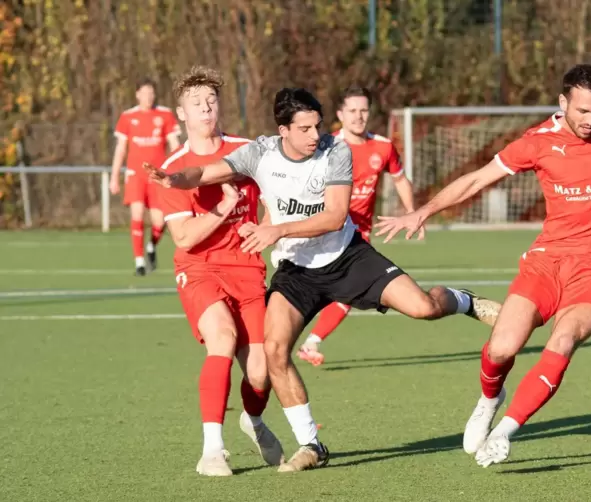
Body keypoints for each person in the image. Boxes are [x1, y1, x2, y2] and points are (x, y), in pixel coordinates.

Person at [146, 87, 501, 473]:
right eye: (305, 129)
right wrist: (174, 179)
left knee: (423, 308)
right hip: (296, 271)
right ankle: (311, 445)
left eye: (317, 125)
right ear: (283, 130)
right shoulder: (259, 153)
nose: (316, 135)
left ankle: (463, 300)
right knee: (275, 352)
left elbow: (333, 217)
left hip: (347, 256)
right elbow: (204, 172)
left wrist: (278, 230)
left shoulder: (336, 150)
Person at [375, 63, 591, 468]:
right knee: (501, 347)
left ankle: (505, 432)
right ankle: (488, 401)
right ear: (563, 102)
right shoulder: (537, 142)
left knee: (563, 339)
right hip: (548, 259)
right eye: (583, 111)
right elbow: (477, 180)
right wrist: (423, 211)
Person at [150, 66, 283, 477]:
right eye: (196, 103)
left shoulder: (249, 150)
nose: (206, 108)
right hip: (200, 269)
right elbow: (185, 238)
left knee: (262, 372)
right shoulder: (172, 170)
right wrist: (222, 209)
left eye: (211, 101)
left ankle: (254, 420)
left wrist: (267, 227)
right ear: (181, 113)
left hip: (247, 269)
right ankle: (212, 451)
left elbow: (277, 194)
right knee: (221, 338)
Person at [297, 85, 421, 367]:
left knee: (350, 290)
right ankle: (295, 341)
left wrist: (412, 212)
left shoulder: (383, 146)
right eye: (352, 111)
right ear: (341, 114)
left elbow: (400, 179)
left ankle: (311, 342)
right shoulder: (325, 146)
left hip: (355, 235)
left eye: (363, 110)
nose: (358, 116)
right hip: (322, 228)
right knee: (311, 285)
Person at [110, 77, 182, 275]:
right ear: (137, 94)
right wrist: (114, 176)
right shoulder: (127, 117)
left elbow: (175, 145)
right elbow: (120, 149)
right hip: (135, 175)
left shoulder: (165, 115)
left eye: (151, 93)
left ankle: (151, 245)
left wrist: (179, 171)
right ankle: (139, 262)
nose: (148, 96)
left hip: (158, 176)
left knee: (160, 222)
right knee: (137, 215)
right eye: (144, 93)